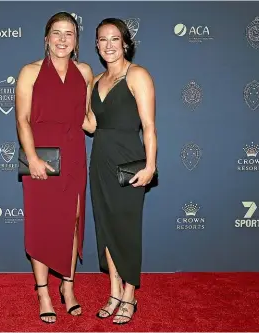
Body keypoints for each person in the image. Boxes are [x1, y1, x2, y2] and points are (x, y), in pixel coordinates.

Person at [15, 12, 93, 324]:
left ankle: (68, 288)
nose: (62, 39)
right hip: (41, 152)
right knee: (41, 223)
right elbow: (21, 119)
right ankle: (44, 292)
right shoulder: (29, 72)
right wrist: (31, 157)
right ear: (46, 38)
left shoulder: (85, 71)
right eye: (56, 33)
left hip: (74, 151)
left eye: (69, 34)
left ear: (76, 42)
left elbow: (88, 118)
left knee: (73, 220)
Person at [85, 18, 157, 324]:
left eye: (115, 38)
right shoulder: (94, 81)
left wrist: (151, 165)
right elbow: (90, 124)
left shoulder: (137, 75)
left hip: (129, 161)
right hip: (100, 159)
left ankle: (130, 294)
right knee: (105, 228)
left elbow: (150, 126)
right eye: (103, 39)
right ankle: (113, 291)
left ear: (125, 42)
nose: (109, 44)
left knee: (126, 229)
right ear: (97, 45)